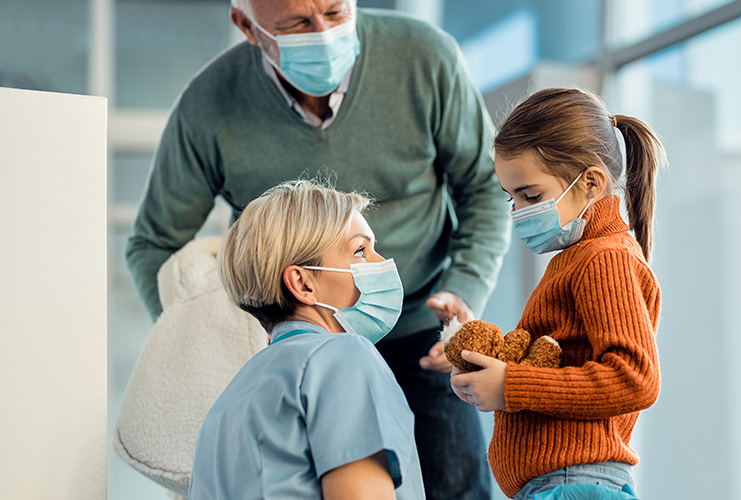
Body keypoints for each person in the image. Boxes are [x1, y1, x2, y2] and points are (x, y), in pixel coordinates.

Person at [126, 1, 508, 498]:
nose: (325, 33)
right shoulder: (209, 105)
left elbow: (485, 189)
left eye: (335, 11)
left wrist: (464, 289)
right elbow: (152, 244)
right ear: (247, 25)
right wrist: (210, 339)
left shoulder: (425, 58)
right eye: (299, 24)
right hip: (303, 336)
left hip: (423, 337)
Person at [449, 88, 665, 500]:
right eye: (510, 197)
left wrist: (511, 386)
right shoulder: (578, 258)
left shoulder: (603, 258)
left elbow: (636, 379)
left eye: (530, 196)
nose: (518, 212)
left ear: (591, 183)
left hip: (572, 484)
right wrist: (493, 375)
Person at [189, 179, 423, 499]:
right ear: (302, 283)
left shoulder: (226, 404)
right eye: (359, 250)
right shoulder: (344, 358)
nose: (382, 263)